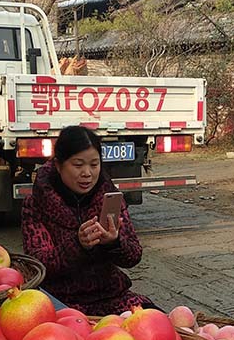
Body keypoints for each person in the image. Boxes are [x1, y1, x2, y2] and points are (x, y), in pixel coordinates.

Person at [21, 125, 155, 316]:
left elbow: (134, 256)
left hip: (111, 298)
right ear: (59, 165)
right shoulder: (36, 204)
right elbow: (37, 265)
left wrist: (114, 243)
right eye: (78, 165)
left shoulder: (109, 197)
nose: (87, 173)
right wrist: (78, 244)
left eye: (94, 164)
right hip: (60, 302)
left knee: (159, 324)